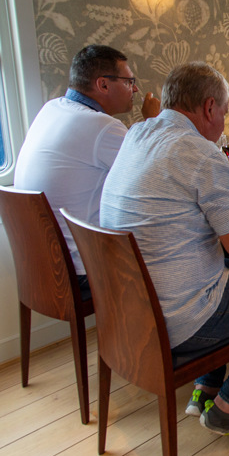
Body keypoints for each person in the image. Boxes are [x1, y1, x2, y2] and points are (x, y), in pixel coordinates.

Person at [100, 62, 229, 442]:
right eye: (225, 112)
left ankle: (206, 388)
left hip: (129, 311)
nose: (224, 122)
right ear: (209, 107)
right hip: (179, 320)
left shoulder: (137, 134)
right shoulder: (199, 153)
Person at [15, 45, 160, 297]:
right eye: (129, 81)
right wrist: (152, 121)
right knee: (179, 251)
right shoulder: (102, 126)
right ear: (103, 84)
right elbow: (159, 176)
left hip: (44, 265)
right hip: (85, 268)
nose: (135, 89)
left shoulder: (52, 108)